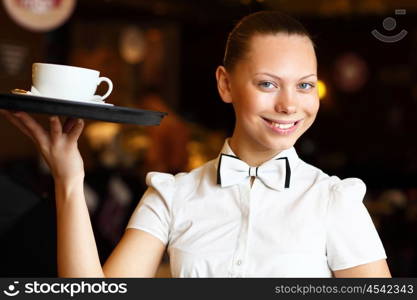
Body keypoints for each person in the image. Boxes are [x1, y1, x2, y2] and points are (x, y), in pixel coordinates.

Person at [0, 10, 390, 278]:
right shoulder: (172, 196)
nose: (289, 104)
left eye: (304, 85)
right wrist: (69, 177)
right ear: (225, 84)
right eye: (268, 84)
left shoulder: (336, 202)